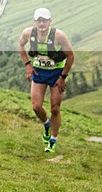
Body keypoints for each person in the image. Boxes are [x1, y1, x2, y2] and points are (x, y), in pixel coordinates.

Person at [17, 8, 74, 153]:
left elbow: (71, 56)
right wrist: (28, 65)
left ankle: (53, 140)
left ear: (50, 21)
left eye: (45, 20)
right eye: (39, 20)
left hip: (56, 73)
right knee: (36, 106)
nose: (42, 23)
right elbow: (20, 45)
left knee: (55, 108)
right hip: (39, 72)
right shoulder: (28, 33)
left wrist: (63, 77)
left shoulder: (59, 36)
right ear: (35, 21)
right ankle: (46, 124)